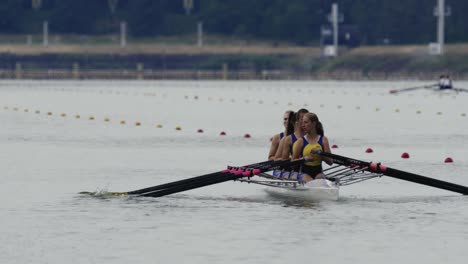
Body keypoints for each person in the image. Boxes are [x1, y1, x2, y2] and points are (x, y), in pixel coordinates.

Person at [291, 112, 333, 182]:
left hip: (319, 173)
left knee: (320, 179)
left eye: (306, 122)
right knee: (311, 181)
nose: (303, 125)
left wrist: (320, 153)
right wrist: (304, 159)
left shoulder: (323, 140)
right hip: (303, 174)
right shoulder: (300, 141)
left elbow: (330, 162)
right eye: (302, 123)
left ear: (314, 124)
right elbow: (292, 162)